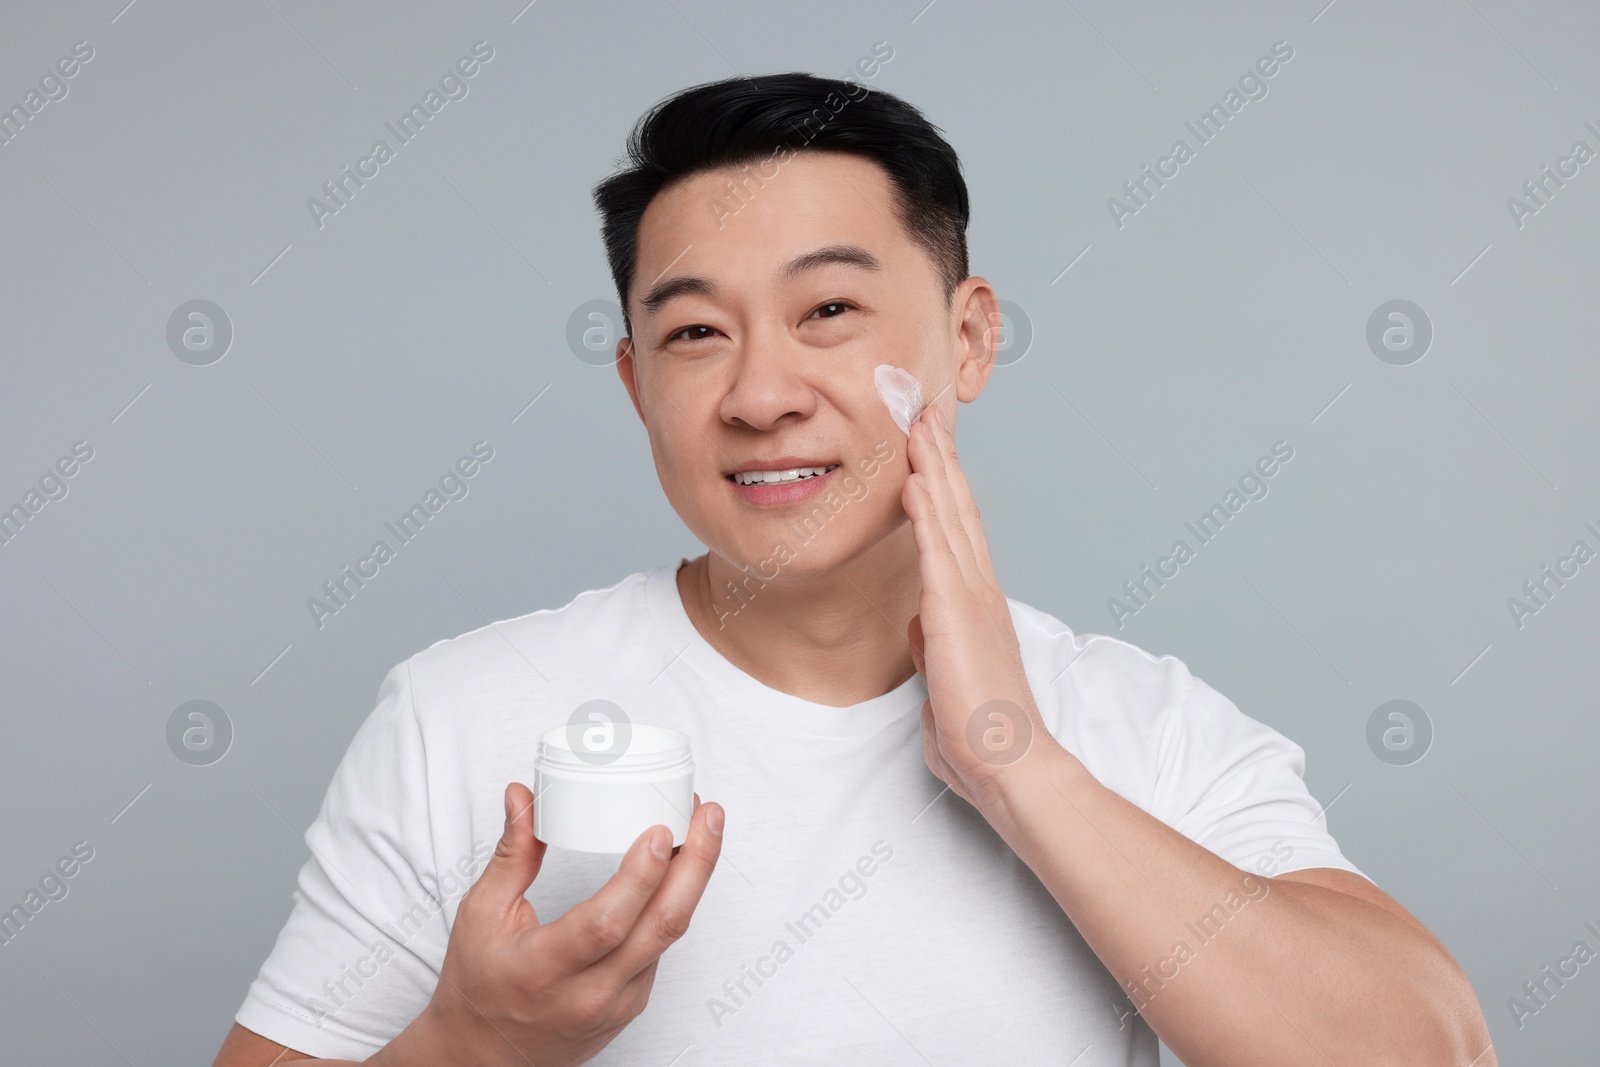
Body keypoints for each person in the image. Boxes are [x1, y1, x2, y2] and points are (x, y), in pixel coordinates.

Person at [213, 71, 1493, 1066]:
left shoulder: (1138, 728)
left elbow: (1424, 1048)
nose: (763, 393)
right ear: (635, 384)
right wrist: (472, 1041)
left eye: (828, 310)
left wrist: (1016, 763)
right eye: (696, 332)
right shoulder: (462, 714)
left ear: (968, 337)